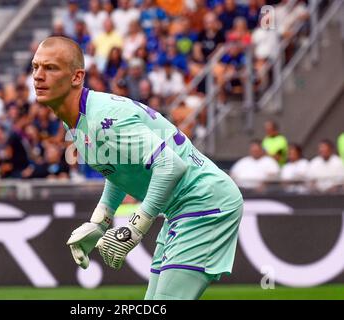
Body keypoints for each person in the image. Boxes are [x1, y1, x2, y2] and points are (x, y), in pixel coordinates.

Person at [32, 36, 243, 300]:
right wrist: (100, 221)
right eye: (35, 67)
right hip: (182, 208)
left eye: (50, 68)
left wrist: (135, 226)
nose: (38, 76)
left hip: (206, 203)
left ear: (77, 77)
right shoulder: (78, 119)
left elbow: (170, 165)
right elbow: (121, 167)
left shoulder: (104, 118)